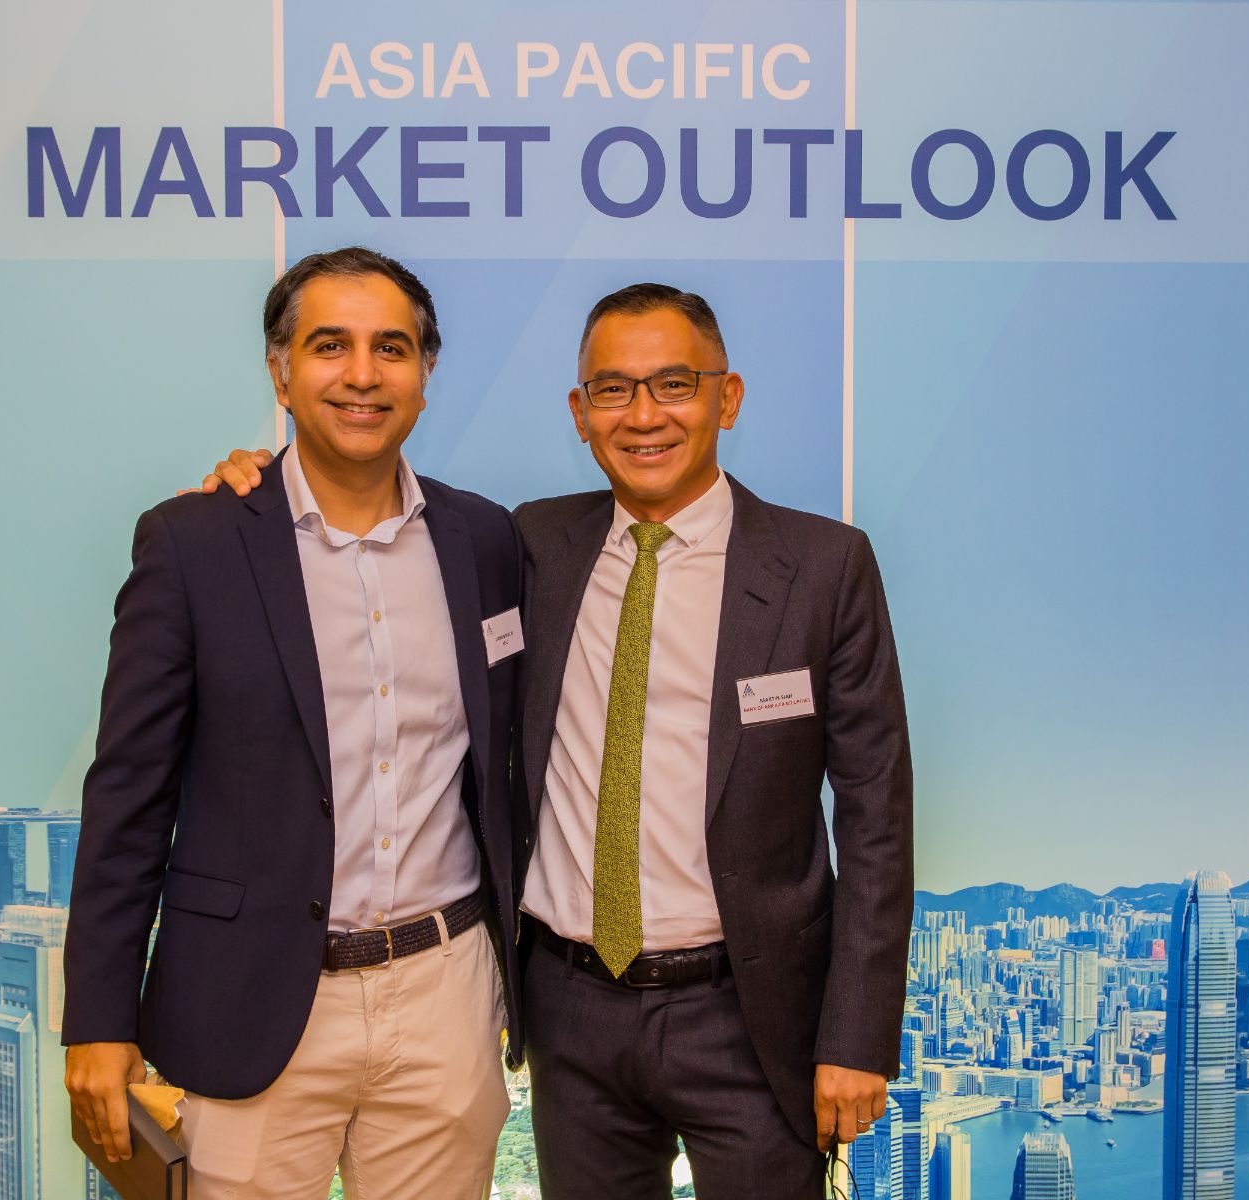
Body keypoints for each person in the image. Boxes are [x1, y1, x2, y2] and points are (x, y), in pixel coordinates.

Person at [202, 282, 913, 1199]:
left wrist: (856, 1037)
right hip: (571, 1014)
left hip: (750, 1013)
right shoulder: (530, 545)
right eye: (613, 390)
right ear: (580, 414)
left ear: (727, 397)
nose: (643, 415)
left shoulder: (824, 567)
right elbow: (363, 518)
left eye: (674, 384)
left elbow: (877, 821)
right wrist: (249, 494)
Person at [64, 246, 523, 1200]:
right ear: (280, 372)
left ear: (426, 372)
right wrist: (98, 1019)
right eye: (329, 346)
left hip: (445, 996)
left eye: (391, 348)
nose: (362, 374)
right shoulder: (194, 543)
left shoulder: (485, 540)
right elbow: (128, 798)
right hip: (250, 997)